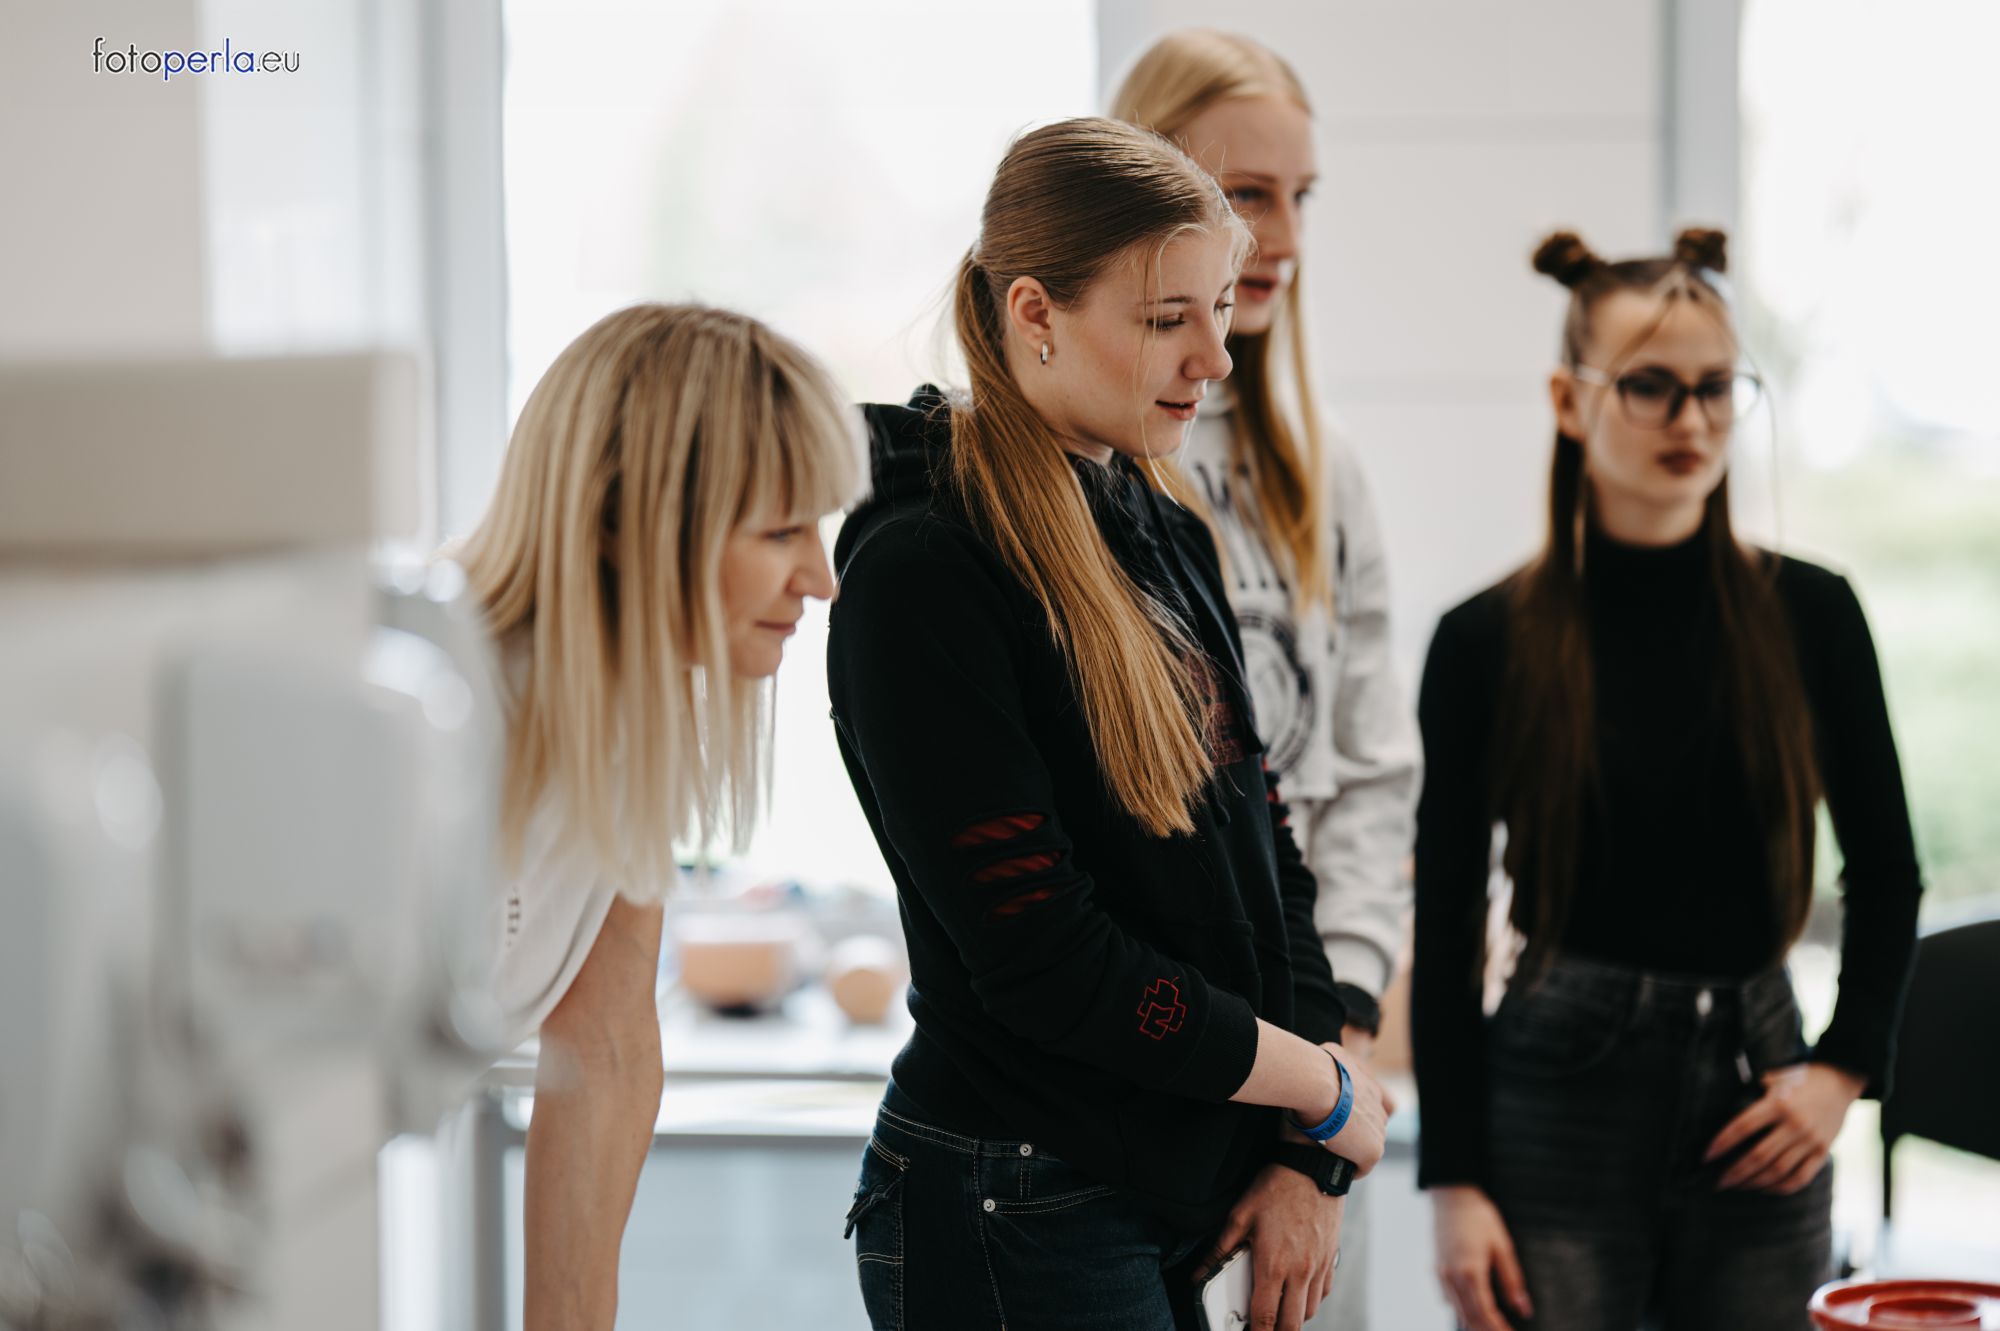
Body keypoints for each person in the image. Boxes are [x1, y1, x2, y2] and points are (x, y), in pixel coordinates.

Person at [827, 117, 1393, 1331]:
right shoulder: (923, 570)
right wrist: (1318, 1081)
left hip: (1158, 1183)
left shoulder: (1160, 523)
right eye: (1165, 318)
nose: (1215, 356)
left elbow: (1266, 857)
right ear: (1033, 312)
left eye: (1219, 307)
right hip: (1013, 1196)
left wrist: (1305, 1150)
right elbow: (1047, 959)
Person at [1410, 229, 1924, 1330]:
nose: (1691, 421)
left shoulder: (1812, 615)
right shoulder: (1484, 640)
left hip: (1760, 1082)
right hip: (1557, 1093)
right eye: (1650, 386)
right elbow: (1445, 918)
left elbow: (1886, 869)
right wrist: (1452, 1180)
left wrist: (1844, 1068)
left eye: (1715, 387)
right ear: (1568, 398)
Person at [453, 303, 865, 1330]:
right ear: (615, 518)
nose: (821, 578)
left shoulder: (637, 722)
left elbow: (604, 1046)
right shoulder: (432, 714)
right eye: (779, 530)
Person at [1113, 33, 1423, 1326]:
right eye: (1246, 195)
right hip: (1139, 1069)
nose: (1282, 238)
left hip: (1313, 1070)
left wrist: (1320, 1109)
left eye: (1300, 196)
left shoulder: (1323, 465)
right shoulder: (1094, 458)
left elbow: (1369, 779)